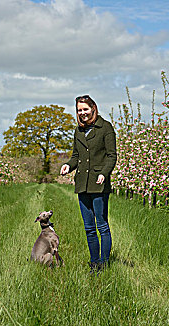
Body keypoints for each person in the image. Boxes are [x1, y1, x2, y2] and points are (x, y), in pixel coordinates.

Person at [60, 95, 117, 272]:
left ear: (93, 108)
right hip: (82, 184)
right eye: (79, 110)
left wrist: (104, 173)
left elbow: (111, 155)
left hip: (99, 183)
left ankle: (104, 263)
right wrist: (68, 166)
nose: (82, 113)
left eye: (85, 109)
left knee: (101, 225)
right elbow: (76, 156)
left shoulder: (105, 128)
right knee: (89, 228)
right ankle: (94, 263)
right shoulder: (78, 131)